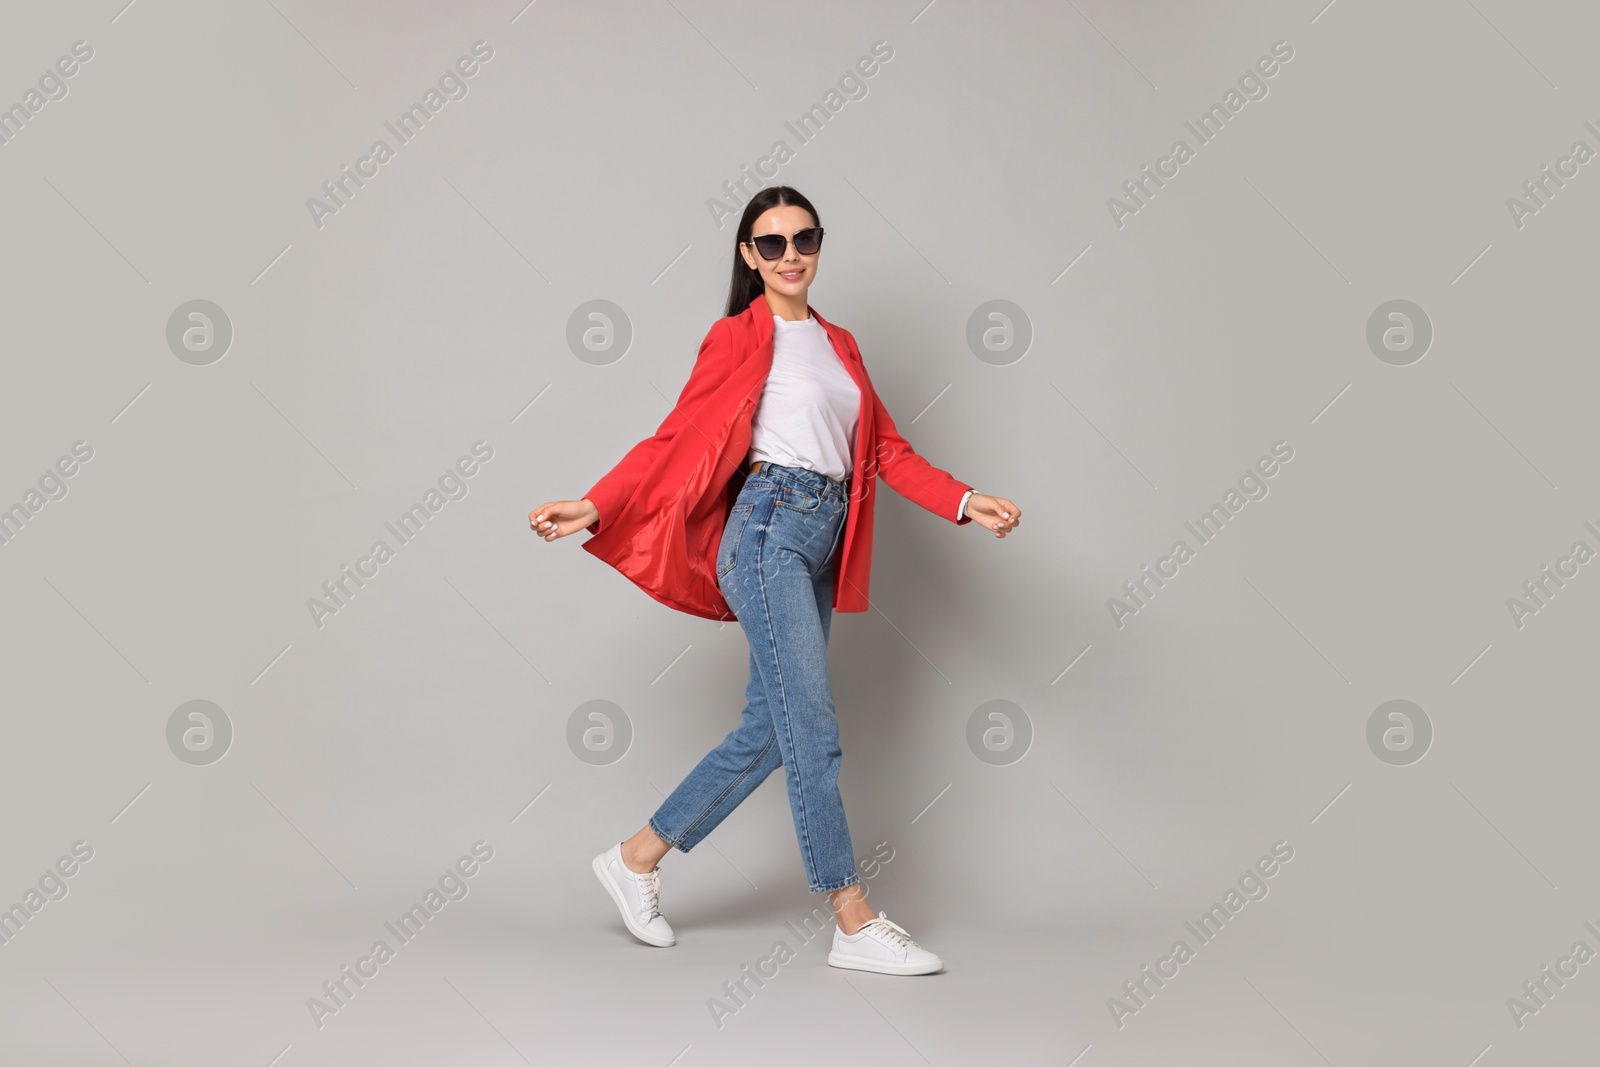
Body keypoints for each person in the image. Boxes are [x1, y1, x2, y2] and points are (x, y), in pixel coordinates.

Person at [529, 186, 1021, 976]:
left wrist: (963, 500)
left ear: (819, 245)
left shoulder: (841, 343)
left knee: (769, 730)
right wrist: (596, 503)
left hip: (823, 537)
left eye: (805, 239)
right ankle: (851, 915)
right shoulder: (737, 337)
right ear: (748, 255)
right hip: (765, 529)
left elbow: (885, 449)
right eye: (772, 243)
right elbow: (676, 436)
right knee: (814, 727)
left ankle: (635, 858)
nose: (791, 255)